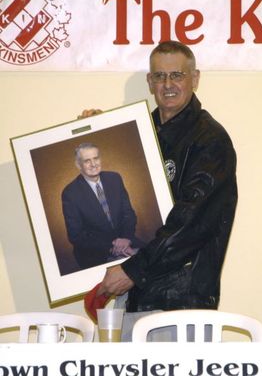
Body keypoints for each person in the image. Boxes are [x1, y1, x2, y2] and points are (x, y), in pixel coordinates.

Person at [83, 40, 238, 341]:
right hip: (135, 299)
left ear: (195, 78)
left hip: (180, 306)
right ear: (149, 81)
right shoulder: (140, 132)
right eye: (159, 76)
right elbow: (123, 200)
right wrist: (100, 133)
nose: (167, 84)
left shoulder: (211, 141)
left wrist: (131, 271)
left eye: (177, 75)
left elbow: (190, 224)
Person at [61, 142, 143, 269]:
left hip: (125, 240)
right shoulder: (70, 193)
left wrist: (126, 239)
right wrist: (112, 247)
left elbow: (128, 213)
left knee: (153, 257)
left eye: (96, 158)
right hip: (95, 253)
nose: (93, 164)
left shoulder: (114, 178)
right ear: (78, 165)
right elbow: (76, 235)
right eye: (87, 161)